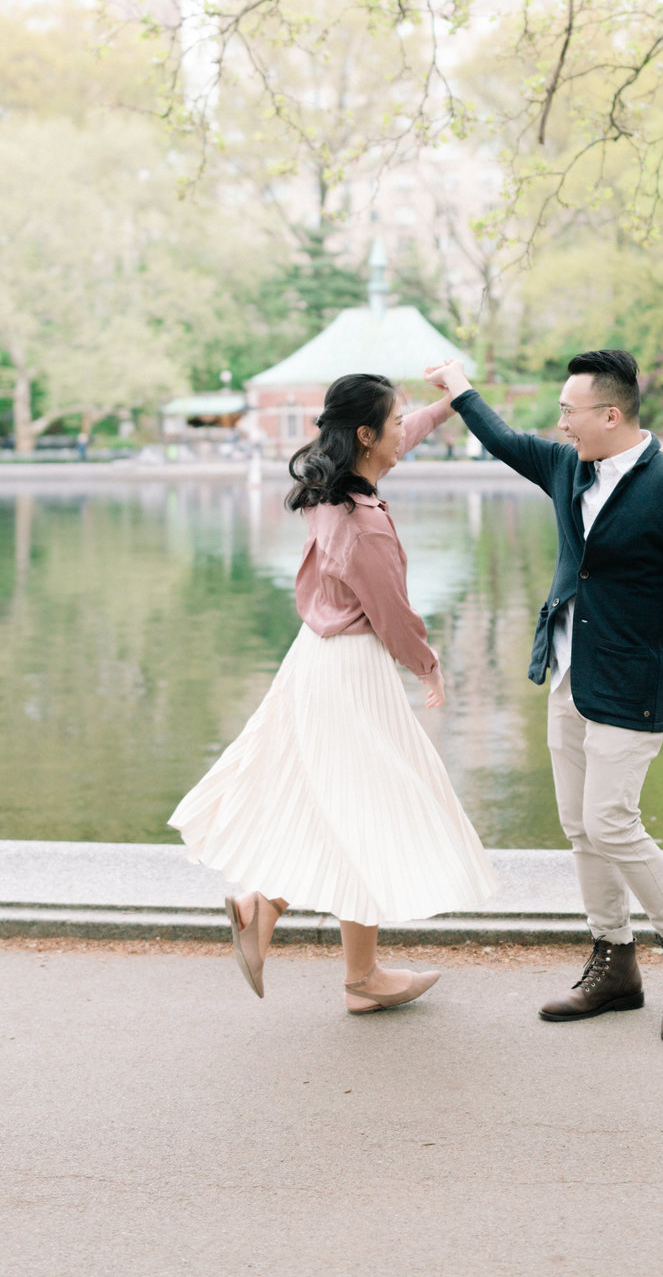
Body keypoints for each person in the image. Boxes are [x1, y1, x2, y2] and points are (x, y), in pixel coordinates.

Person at [168, 372, 496, 1013]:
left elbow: (407, 435)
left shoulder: (333, 490)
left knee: (347, 807)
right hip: (351, 669)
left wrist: (450, 404)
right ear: (367, 436)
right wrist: (428, 665)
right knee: (368, 806)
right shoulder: (364, 521)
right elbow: (392, 612)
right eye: (395, 423)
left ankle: (329, 953)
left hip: (315, 660)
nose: (407, 430)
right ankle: (333, 956)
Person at [426, 350, 663, 1044]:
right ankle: (615, 963)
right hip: (568, 671)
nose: (561, 425)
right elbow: (504, 442)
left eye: (570, 412)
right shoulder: (569, 467)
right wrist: (460, 389)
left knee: (613, 821)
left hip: (635, 680)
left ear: (611, 415)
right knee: (581, 826)